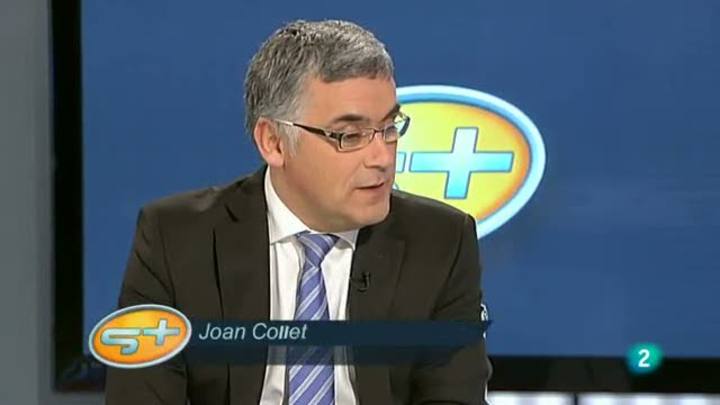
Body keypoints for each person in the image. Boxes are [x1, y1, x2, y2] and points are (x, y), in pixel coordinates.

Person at [105, 19, 492, 404]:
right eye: (350, 135)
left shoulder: (441, 242)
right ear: (273, 142)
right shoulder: (175, 240)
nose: (382, 157)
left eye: (390, 128)